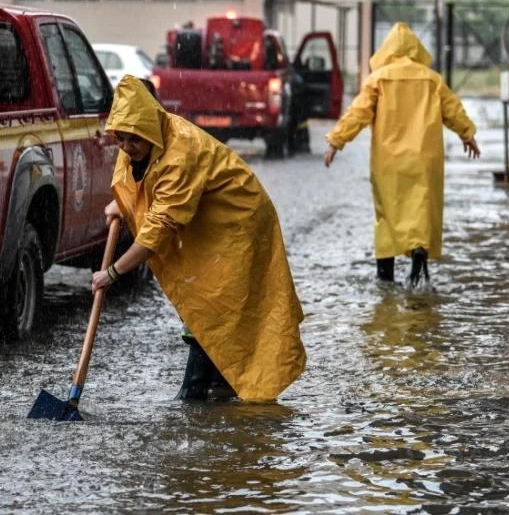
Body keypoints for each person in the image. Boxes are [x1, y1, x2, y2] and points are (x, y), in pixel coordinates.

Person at [91, 75, 307, 402]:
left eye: (132, 140)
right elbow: (141, 180)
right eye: (119, 139)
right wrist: (123, 202)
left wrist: (113, 272)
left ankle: (193, 393)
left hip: (238, 222)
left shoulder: (181, 153)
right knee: (206, 297)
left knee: (215, 301)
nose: (125, 147)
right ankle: (221, 388)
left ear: (147, 130)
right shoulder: (140, 139)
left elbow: (156, 233)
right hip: (205, 223)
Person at [323, 22, 480, 285]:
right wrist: (468, 135)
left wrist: (335, 142)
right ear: (416, 50)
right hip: (424, 159)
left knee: (387, 213)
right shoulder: (432, 80)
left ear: (386, 51)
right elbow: (453, 110)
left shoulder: (378, 79)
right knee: (420, 209)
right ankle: (419, 251)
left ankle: (385, 276)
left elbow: (357, 114)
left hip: (389, 160)